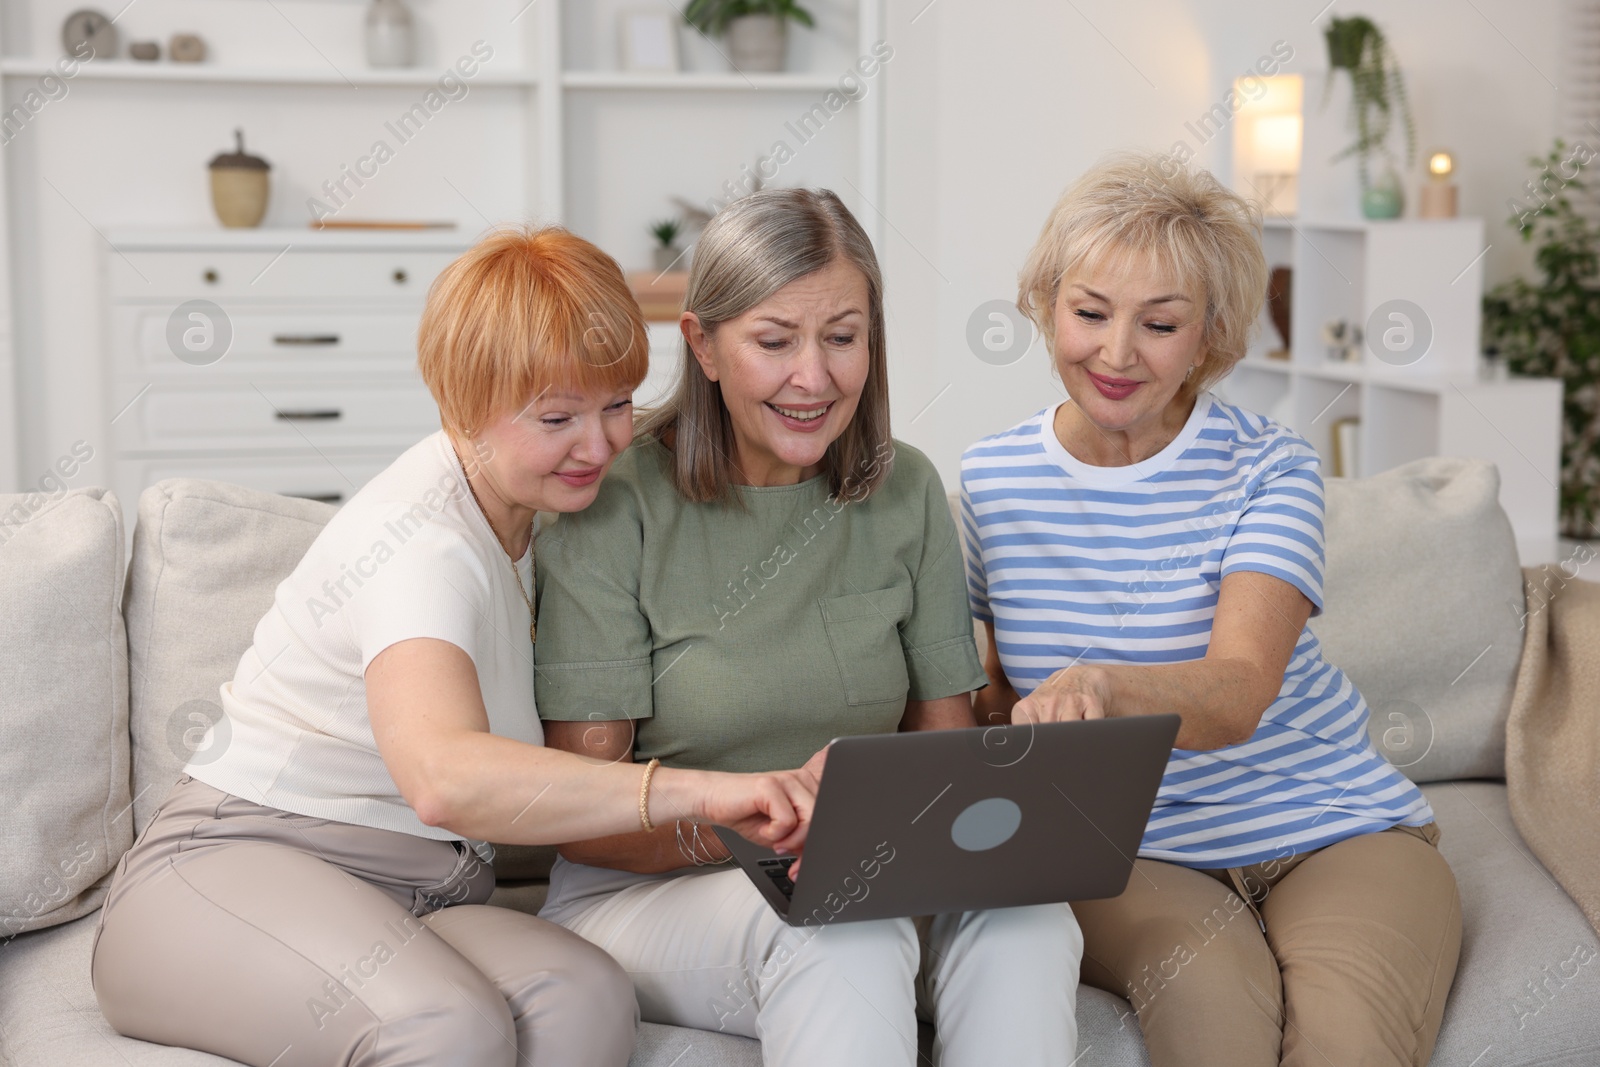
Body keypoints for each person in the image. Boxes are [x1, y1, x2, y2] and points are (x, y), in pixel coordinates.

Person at [91, 227, 818, 1067]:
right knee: (440, 1024)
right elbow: (441, 778)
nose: (602, 444)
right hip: (225, 872)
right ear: (461, 406)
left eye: (616, 402)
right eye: (557, 418)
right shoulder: (417, 541)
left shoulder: (550, 515)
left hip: (419, 895)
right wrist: (707, 795)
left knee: (585, 993)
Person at [531, 187, 1083, 1067]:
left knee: (1030, 920)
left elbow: (944, 746)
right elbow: (581, 807)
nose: (814, 378)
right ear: (705, 345)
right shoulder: (615, 502)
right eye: (774, 340)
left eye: (841, 336)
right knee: (842, 927)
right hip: (643, 892)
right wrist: (766, 824)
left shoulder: (906, 492)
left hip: (866, 866)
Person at [959, 153, 1462, 1067]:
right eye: (1089, 313)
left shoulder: (1272, 469)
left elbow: (1236, 694)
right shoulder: (991, 484)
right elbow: (983, 693)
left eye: (1159, 323)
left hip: (1333, 825)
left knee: (1350, 1045)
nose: (1116, 354)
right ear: (1046, 305)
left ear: (1210, 337)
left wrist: (1101, 686)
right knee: (1213, 1021)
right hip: (1127, 852)